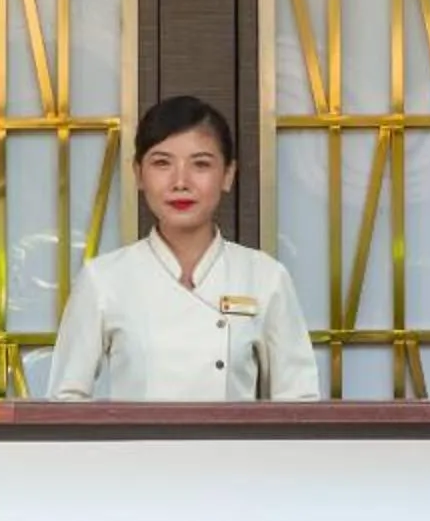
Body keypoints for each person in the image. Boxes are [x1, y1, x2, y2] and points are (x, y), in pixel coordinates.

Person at [46, 95, 323, 402]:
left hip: (232, 437)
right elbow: (65, 400)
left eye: (200, 164)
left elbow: (298, 401)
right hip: (136, 436)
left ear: (228, 175)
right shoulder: (103, 279)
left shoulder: (265, 277)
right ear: (138, 174)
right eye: (162, 163)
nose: (180, 182)